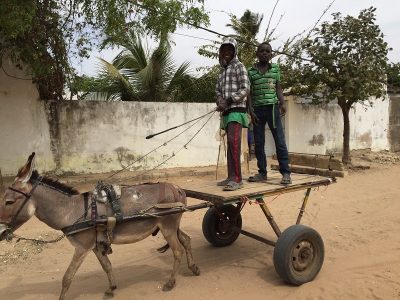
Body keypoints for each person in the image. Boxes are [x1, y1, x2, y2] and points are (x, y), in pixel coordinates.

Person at [247, 42, 291, 185]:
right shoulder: (251, 72)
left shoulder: (275, 69)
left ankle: (285, 173)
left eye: (267, 51)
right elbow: (249, 93)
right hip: (258, 110)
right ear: (257, 54)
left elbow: (278, 88)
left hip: (273, 108)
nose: (265, 53)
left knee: (280, 141)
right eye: (262, 51)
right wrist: (250, 110)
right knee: (259, 143)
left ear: (271, 54)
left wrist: (283, 102)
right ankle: (262, 173)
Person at [215, 37, 250, 191]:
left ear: (235, 51)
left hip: (236, 110)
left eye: (230, 49)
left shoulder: (239, 66)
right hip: (226, 112)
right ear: (220, 52)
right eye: (224, 50)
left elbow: (245, 88)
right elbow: (217, 91)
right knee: (230, 144)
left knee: (234, 142)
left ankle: (237, 179)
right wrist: (219, 100)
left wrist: (229, 100)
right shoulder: (221, 72)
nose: (227, 52)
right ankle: (230, 177)